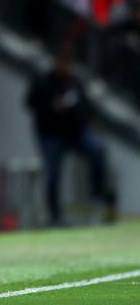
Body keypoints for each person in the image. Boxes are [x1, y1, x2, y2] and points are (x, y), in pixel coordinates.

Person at [25, 52, 115, 226]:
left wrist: (75, 113)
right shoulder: (44, 81)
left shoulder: (74, 82)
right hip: (52, 135)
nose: (66, 68)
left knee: (98, 150)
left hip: (75, 132)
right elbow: (30, 103)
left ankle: (98, 197)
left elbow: (87, 108)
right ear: (57, 62)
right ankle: (54, 215)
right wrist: (53, 106)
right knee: (52, 172)